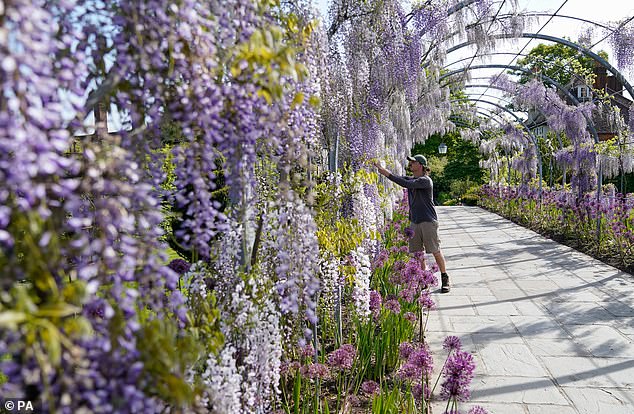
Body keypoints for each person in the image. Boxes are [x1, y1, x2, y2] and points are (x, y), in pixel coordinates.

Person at [375, 154, 451, 293]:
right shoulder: (413, 179)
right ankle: (423, 280)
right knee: (417, 254)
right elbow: (401, 178)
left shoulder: (425, 181)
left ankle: (445, 277)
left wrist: (384, 171)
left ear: (420, 165)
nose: (410, 164)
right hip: (414, 221)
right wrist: (385, 171)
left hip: (428, 221)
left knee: (435, 250)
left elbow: (405, 183)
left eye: (413, 162)